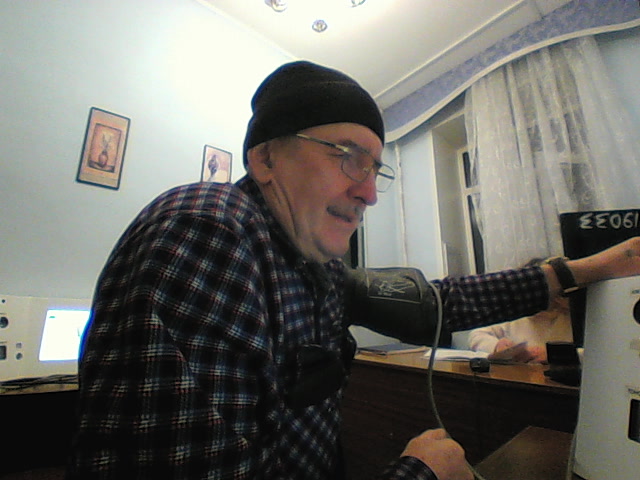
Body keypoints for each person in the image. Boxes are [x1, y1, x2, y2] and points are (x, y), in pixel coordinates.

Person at [66, 60, 640, 480]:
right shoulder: (209, 231)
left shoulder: (314, 267)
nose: (368, 193)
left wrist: (587, 268)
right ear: (265, 158)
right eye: (347, 157)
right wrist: (419, 473)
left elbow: (439, 301)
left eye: (375, 170)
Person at [468, 258, 573, 363]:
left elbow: (582, 352)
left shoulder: (569, 317)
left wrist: (554, 354)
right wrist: (496, 346)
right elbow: (476, 335)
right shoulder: (514, 315)